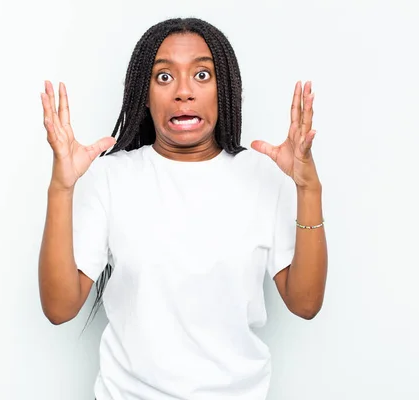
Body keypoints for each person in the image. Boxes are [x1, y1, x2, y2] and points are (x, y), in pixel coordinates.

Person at [38, 17, 327, 400]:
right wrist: (62, 187)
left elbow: (305, 304)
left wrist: (308, 189)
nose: (184, 91)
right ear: (144, 92)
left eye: (203, 75)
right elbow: (59, 308)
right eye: (163, 77)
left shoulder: (262, 176)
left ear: (225, 88)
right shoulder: (110, 176)